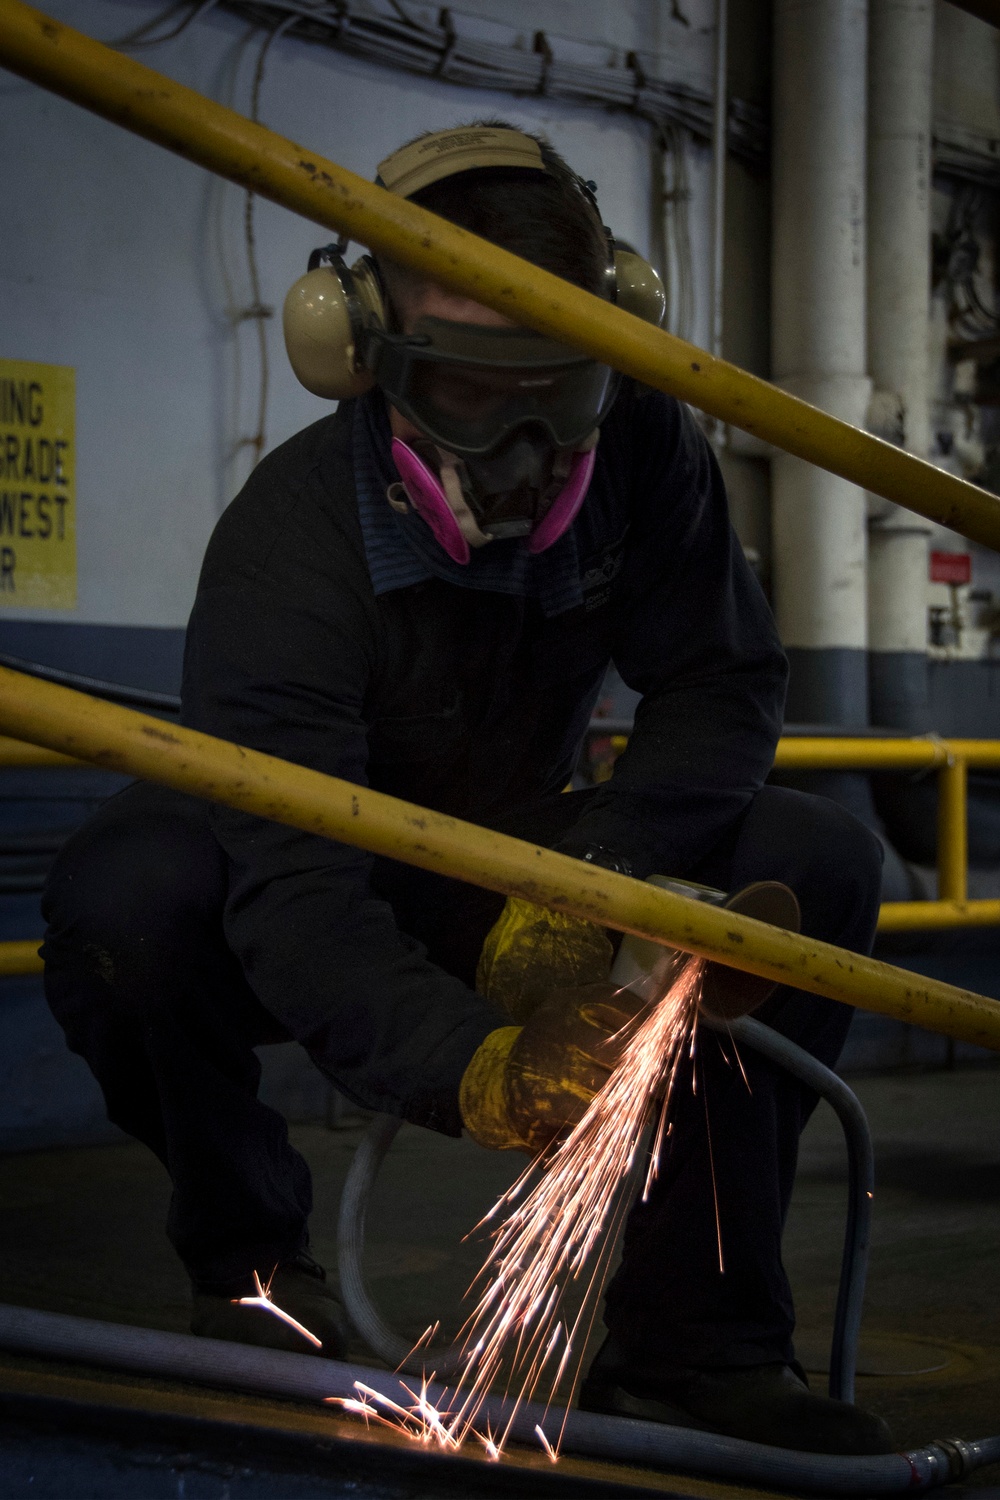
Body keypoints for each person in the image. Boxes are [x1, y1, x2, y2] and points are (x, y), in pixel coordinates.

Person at [41, 122, 892, 1455]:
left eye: (562, 386)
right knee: (124, 903)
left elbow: (724, 682)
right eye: (474, 387)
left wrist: (596, 872)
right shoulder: (290, 543)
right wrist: (479, 1070)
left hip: (505, 853)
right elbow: (304, 890)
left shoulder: (647, 455)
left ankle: (695, 1343)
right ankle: (253, 1269)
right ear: (366, 353)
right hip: (287, 869)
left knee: (819, 859)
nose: (533, 447)